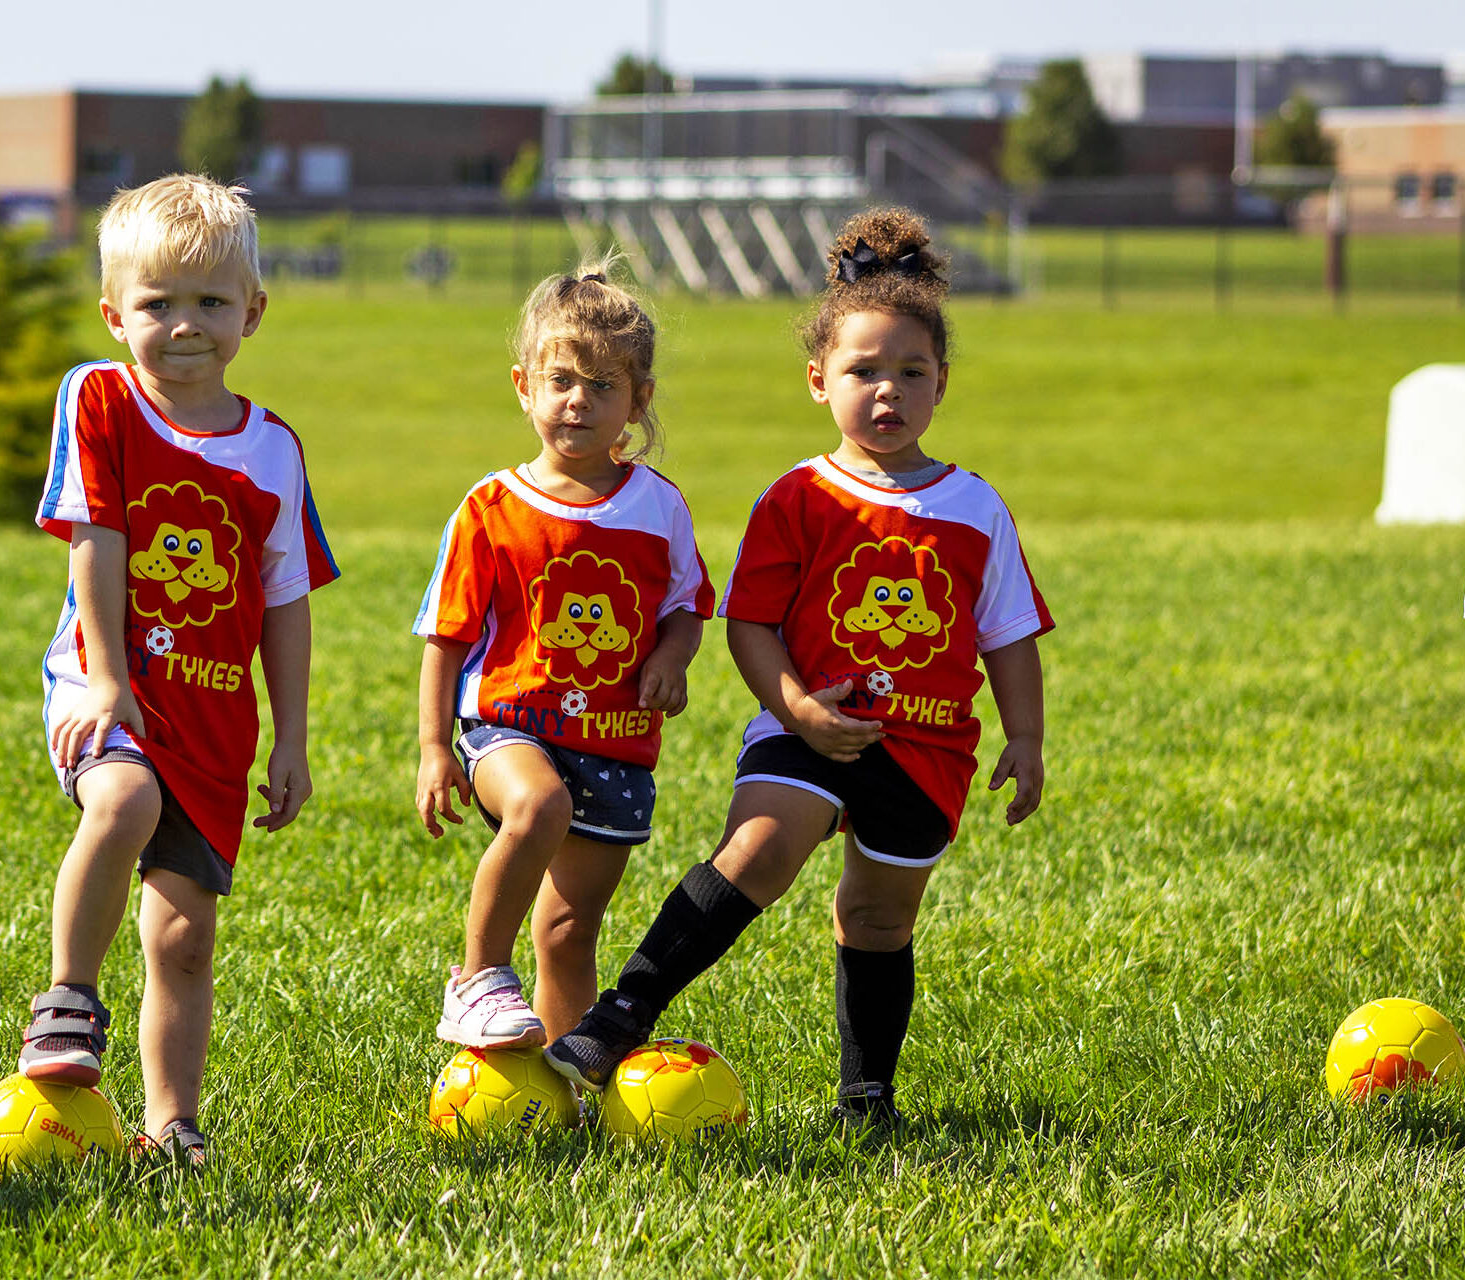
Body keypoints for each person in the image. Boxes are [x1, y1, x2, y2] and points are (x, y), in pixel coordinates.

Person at [545, 208, 1052, 1131]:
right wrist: (797, 710)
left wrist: (1026, 737)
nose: (887, 392)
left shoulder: (977, 508)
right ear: (820, 381)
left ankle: (867, 1096)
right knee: (759, 851)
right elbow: (752, 626)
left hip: (928, 752)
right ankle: (619, 1016)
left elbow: (1007, 632)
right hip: (805, 727)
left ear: (942, 383)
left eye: (911, 372)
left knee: (877, 919)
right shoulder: (800, 496)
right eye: (864, 372)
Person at [24, 174, 338, 1165]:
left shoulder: (274, 448)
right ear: (115, 312)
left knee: (183, 937)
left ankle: (174, 1126)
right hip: (105, 681)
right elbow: (99, 540)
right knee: (119, 804)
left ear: (253, 310)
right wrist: (110, 681)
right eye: (157, 303)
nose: (184, 324)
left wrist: (291, 736)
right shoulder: (102, 398)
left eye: (209, 301)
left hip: (213, 720)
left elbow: (284, 602)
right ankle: (67, 1001)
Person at [414, 262, 715, 1049]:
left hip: (617, 746)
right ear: (524, 386)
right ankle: (477, 981)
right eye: (560, 381)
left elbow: (688, 605)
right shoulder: (490, 507)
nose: (577, 400)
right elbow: (445, 637)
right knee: (537, 807)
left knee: (570, 928)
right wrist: (432, 749)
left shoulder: (658, 506)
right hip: (505, 728)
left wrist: (674, 657)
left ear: (637, 400)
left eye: (602, 385)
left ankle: (563, 1069)